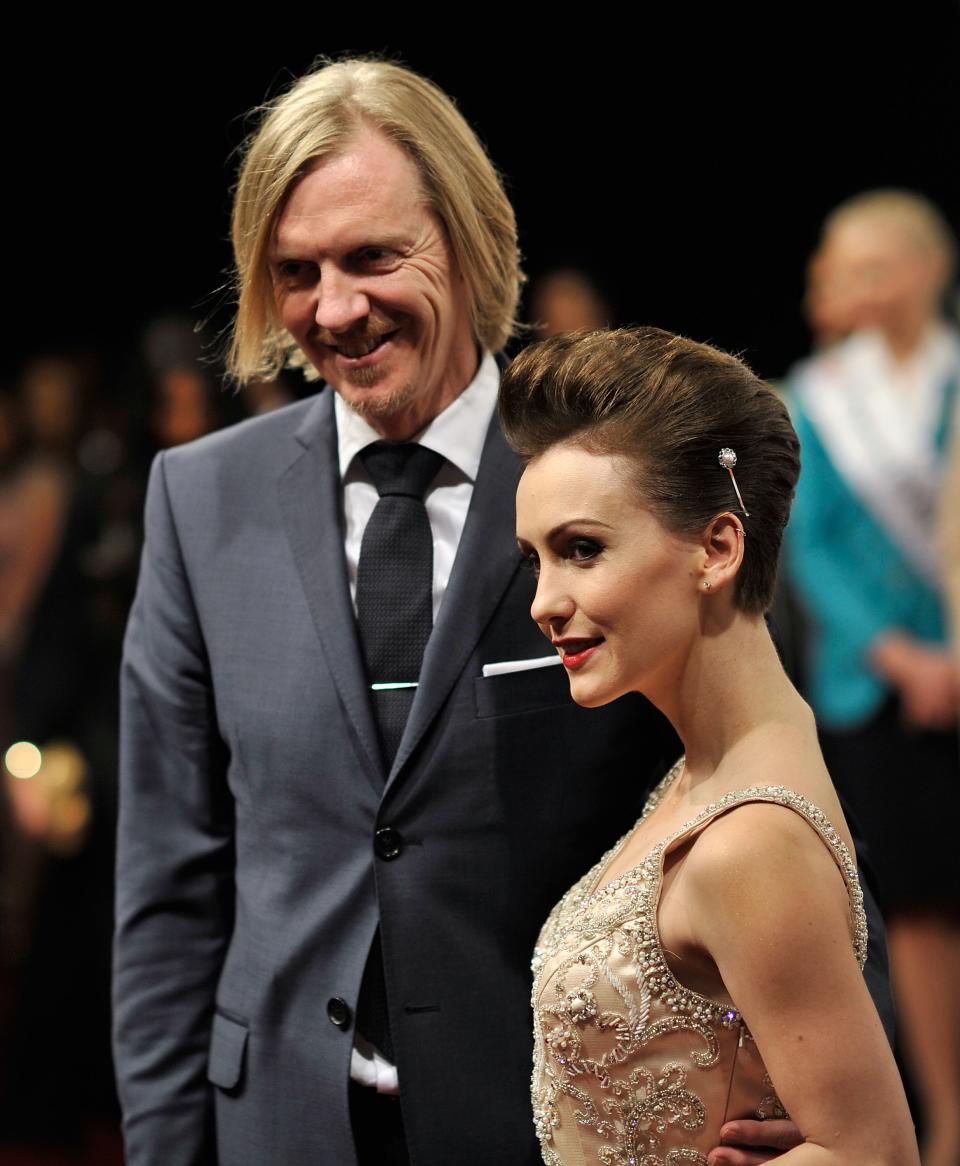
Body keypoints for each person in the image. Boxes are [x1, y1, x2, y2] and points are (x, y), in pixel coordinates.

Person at [112, 59, 891, 1166]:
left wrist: (827, 1078)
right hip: (277, 1125)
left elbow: (769, 768)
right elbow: (166, 887)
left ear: (470, 240)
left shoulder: (608, 459)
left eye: (375, 256)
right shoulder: (196, 500)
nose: (335, 308)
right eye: (297, 271)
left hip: (540, 1123)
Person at [500, 325, 918, 1166]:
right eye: (535, 560)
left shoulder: (748, 839)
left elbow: (876, 1152)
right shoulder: (721, 767)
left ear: (717, 548)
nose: (545, 601)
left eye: (583, 550)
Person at [784, 191, 959, 1166]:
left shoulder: (953, 379)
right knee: (921, 905)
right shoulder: (816, 394)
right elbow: (813, 553)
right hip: (875, 686)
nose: (847, 285)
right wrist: (901, 654)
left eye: (867, 265)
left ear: (925, 270)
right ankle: (943, 1114)